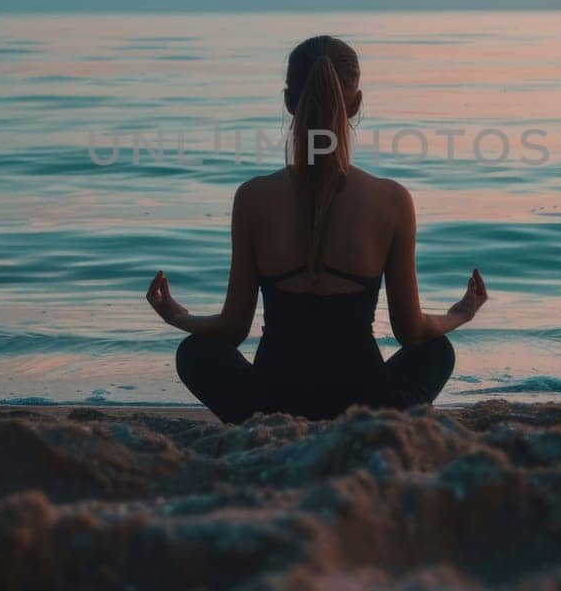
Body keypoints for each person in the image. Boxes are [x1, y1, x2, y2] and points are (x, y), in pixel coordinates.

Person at [145, 34, 488, 423]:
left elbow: (232, 328)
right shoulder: (391, 200)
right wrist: (460, 313)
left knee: (194, 353)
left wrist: (178, 317)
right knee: (437, 350)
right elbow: (411, 332)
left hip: (271, 403)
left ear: (289, 102)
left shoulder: (254, 197)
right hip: (366, 406)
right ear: (356, 105)